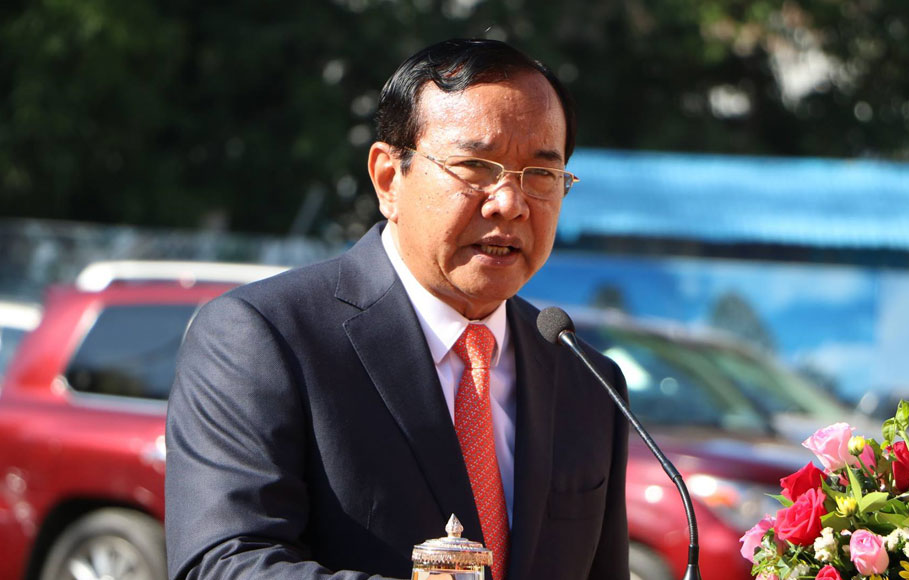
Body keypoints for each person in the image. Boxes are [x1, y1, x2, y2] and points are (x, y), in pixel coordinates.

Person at [165, 39, 629, 580]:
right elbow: (222, 563)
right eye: (475, 166)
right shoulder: (265, 338)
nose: (510, 203)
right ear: (388, 179)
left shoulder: (586, 378)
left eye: (541, 174)